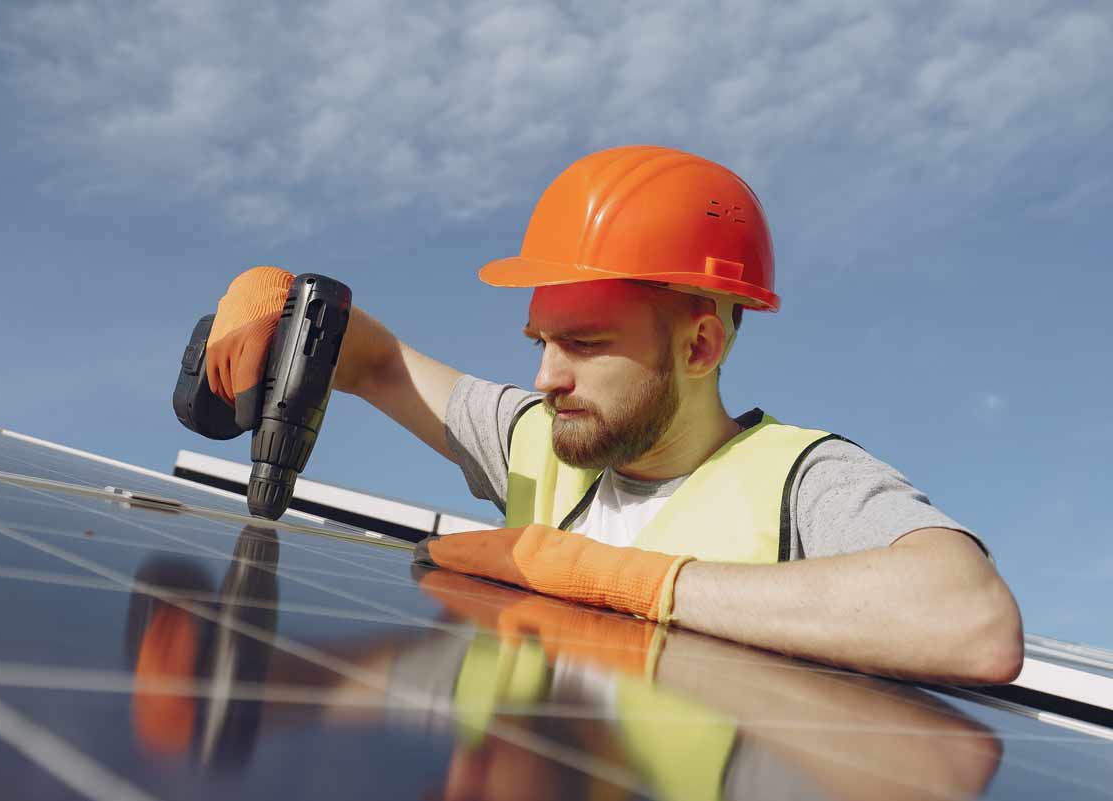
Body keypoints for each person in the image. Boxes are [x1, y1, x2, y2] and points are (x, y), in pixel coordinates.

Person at [202, 145, 1023, 685]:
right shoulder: (544, 441)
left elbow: (970, 619)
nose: (545, 377)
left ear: (700, 346)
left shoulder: (800, 479)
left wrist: (621, 582)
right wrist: (284, 305)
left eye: (586, 344)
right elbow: (374, 361)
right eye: (540, 339)